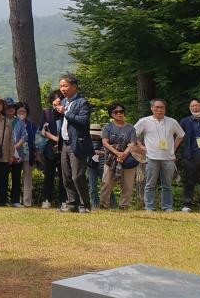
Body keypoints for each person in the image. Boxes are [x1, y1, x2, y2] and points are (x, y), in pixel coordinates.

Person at [133, 98, 184, 213]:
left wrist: (173, 149)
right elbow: (132, 134)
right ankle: (149, 207)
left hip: (168, 158)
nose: (159, 110)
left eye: (162, 107)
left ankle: (167, 207)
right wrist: (141, 146)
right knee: (150, 184)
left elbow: (181, 135)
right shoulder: (144, 121)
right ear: (152, 108)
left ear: (165, 109)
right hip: (151, 157)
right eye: (157, 107)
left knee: (167, 185)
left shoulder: (172, 121)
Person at [56, 74, 93, 214]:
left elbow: (83, 121)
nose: (62, 89)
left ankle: (85, 205)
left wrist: (65, 111)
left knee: (77, 176)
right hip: (64, 143)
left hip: (77, 143)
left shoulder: (82, 102)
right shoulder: (63, 101)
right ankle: (72, 204)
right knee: (66, 176)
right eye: (61, 86)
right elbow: (58, 118)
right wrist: (56, 108)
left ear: (74, 87)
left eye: (65, 86)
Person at [100, 103, 138, 211]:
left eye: (121, 111)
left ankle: (124, 206)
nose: (119, 113)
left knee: (128, 185)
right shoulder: (108, 127)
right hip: (111, 159)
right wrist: (117, 153)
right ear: (111, 114)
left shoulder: (130, 127)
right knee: (107, 183)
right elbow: (105, 142)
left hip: (128, 159)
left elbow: (132, 143)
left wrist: (124, 154)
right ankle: (103, 205)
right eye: (115, 112)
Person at [39, 90, 65, 208]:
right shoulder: (46, 113)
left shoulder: (66, 113)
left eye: (61, 100)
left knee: (64, 176)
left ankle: (63, 201)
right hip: (50, 149)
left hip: (64, 148)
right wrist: (56, 139)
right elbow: (42, 130)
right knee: (49, 175)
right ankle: (46, 200)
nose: (58, 103)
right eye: (56, 100)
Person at [9, 101, 35, 208]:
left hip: (28, 154)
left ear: (27, 113)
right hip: (16, 154)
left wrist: (36, 153)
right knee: (15, 177)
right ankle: (16, 200)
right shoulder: (12, 122)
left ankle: (27, 202)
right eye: (19, 111)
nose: (21, 114)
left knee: (27, 178)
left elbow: (36, 139)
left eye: (23, 112)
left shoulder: (31, 125)